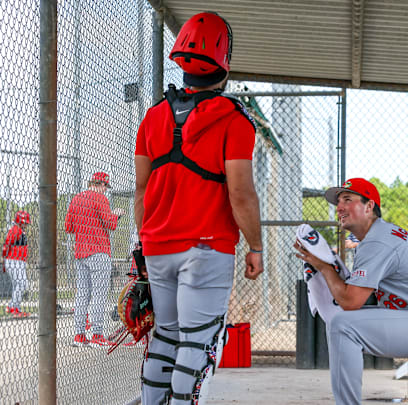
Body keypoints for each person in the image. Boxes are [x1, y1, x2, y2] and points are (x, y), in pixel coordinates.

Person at [134, 11, 264, 405]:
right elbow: (240, 193)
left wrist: (144, 242)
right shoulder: (235, 120)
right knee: (198, 339)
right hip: (206, 248)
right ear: (224, 65)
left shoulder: (153, 116)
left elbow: (140, 189)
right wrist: (255, 247)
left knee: (166, 336)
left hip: (158, 246)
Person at [293, 178, 408, 405]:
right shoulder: (380, 236)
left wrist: (323, 267)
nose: (340, 207)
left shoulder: (378, 241)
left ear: (369, 206)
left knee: (342, 325)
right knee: (344, 323)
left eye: (348, 199)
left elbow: (351, 302)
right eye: (338, 202)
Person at [64, 171, 125, 347]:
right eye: (105, 186)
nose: (105, 190)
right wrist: (117, 214)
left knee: (83, 294)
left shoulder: (76, 198)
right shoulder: (100, 198)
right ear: (102, 184)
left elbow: (69, 227)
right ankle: (97, 335)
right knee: (99, 295)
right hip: (98, 252)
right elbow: (111, 224)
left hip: (81, 254)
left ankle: (79, 336)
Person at [2, 210, 31, 317]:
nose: (26, 224)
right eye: (25, 222)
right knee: (22, 284)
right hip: (14, 261)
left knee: (18, 285)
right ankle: (13, 307)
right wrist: (4, 260)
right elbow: (6, 245)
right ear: (20, 221)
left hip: (18, 261)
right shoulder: (15, 230)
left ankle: (13, 307)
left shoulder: (20, 230)